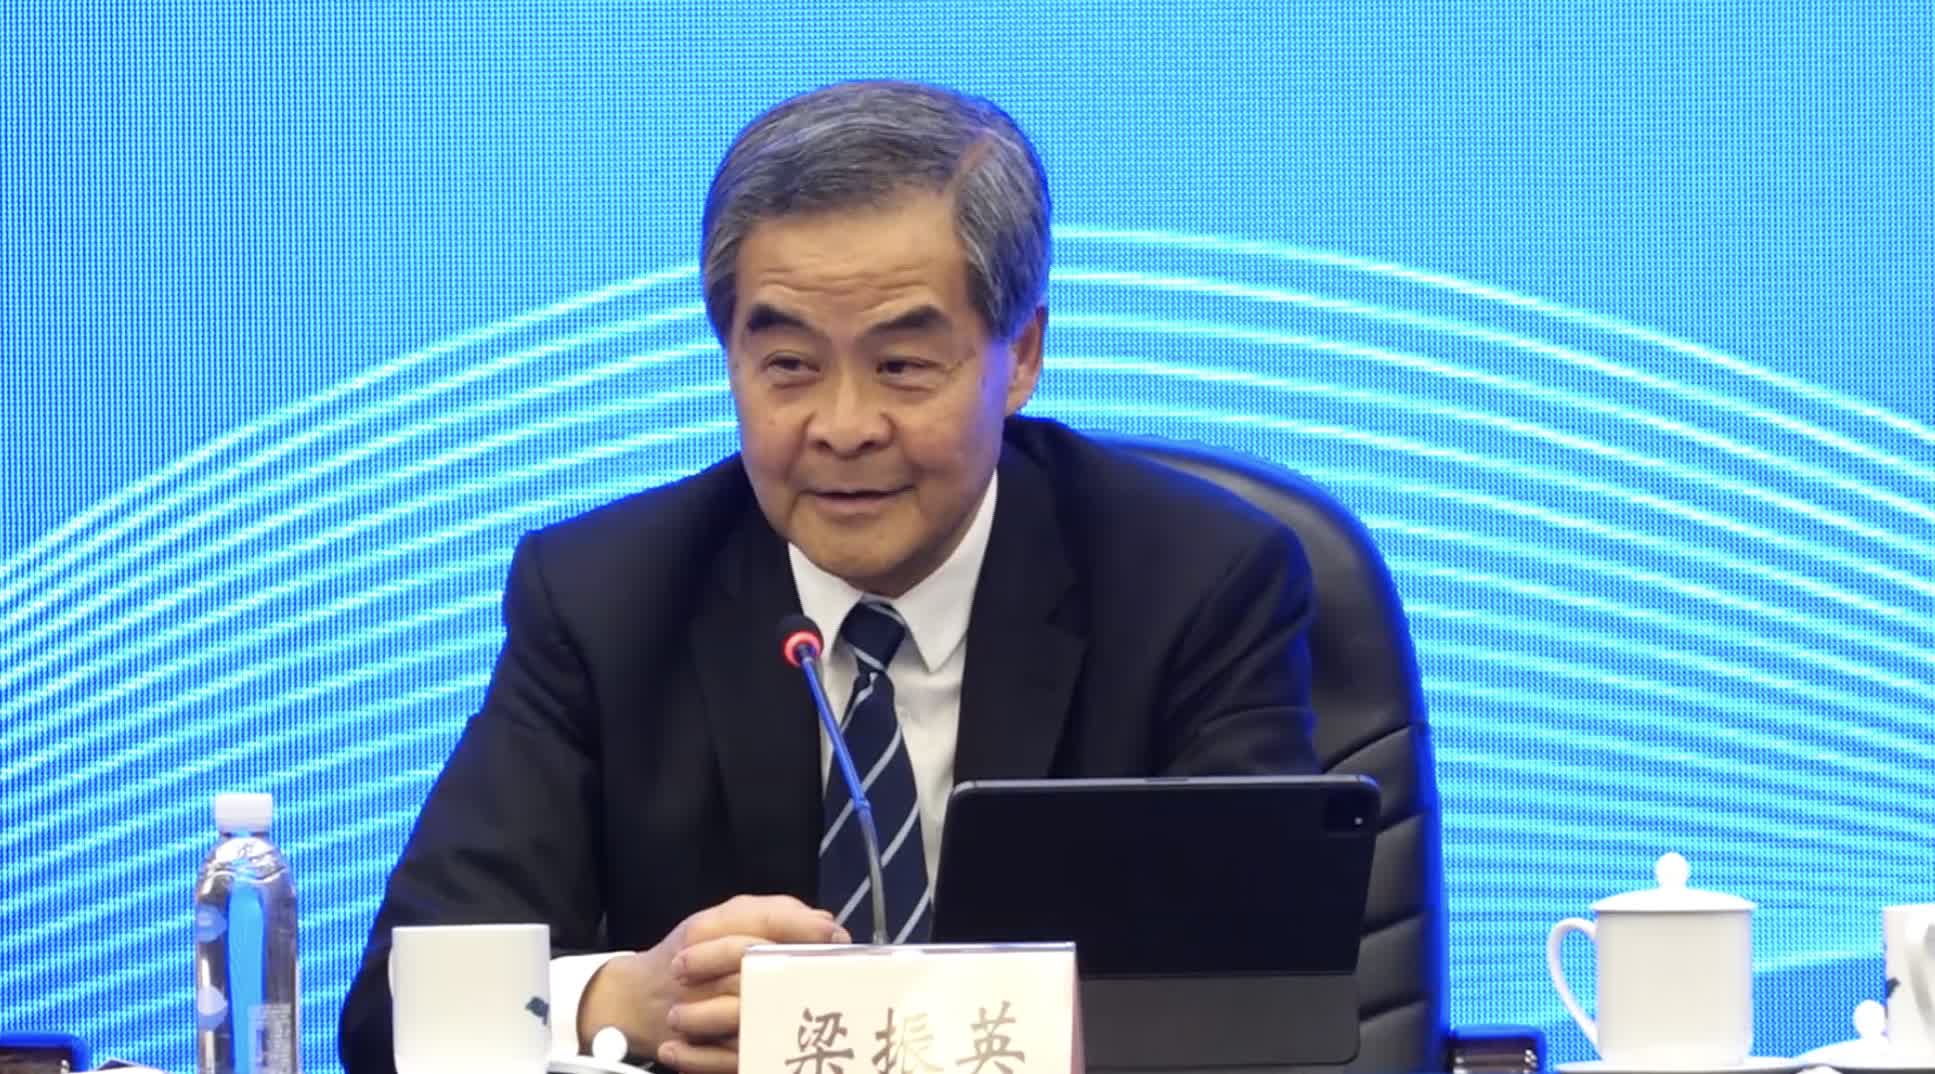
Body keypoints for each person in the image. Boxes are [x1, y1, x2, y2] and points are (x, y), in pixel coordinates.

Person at [337, 79, 1318, 1074]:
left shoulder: (1197, 585)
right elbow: (393, 1015)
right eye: (791, 367)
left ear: (1020, 355)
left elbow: (1259, 1002)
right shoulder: (603, 599)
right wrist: (619, 1000)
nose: (843, 429)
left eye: (902, 366)